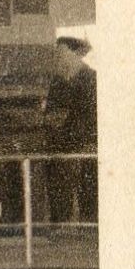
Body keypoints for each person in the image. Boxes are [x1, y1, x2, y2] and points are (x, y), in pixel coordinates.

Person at [45, 36, 97, 226]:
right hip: (61, 144)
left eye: (61, 53)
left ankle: (88, 225)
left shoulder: (91, 79)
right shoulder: (57, 82)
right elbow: (51, 113)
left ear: (74, 54)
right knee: (60, 187)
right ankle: (61, 224)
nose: (58, 57)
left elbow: (91, 116)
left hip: (83, 143)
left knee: (88, 187)